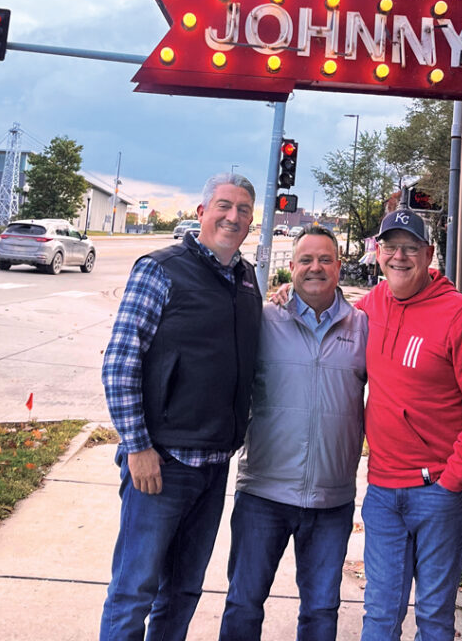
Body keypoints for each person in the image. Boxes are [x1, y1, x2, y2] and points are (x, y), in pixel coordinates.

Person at [99, 173, 262, 641]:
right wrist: (137, 446)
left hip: (213, 466)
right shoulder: (160, 269)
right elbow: (120, 362)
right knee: (134, 590)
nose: (233, 216)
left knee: (184, 591)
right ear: (202, 212)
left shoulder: (245, 278)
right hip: (161, 465)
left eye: (243, 209)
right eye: (224, 206)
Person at [359, 208, 462, 641]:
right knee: (380, 615)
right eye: (390, 247)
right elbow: (326, 316)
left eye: (410, 248)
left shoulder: (459, 316)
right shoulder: (371, 306)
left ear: (429, 254)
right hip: (383, 491)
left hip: (438, 491)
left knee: (435, 617)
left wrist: (453, 479)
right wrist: (287, 296)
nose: (399, 257)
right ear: (378, 253)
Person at [219, 225, 368, 641]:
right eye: (306, 260)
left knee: (321, 611)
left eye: (324, 259)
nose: (315, 268)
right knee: (243, 604)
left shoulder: (363, 329)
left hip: (331, 501)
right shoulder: (264, 321)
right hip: (263, 494)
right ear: (292, 268)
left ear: (339, 267)